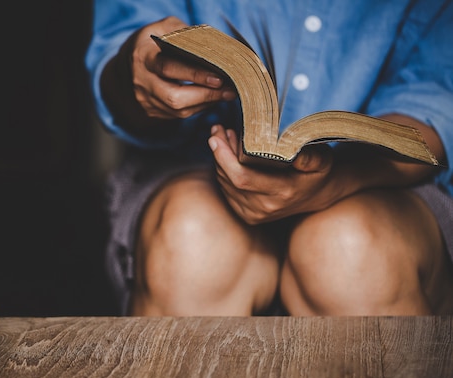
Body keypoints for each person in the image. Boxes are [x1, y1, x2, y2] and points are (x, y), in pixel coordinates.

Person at [85, 1, 453, 316]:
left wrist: (343, 177)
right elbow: (124, 41)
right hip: (189, 168)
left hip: (380, 180)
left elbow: (438, 103)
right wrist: (134, 72)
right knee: (192, 242)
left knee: (353, 254)